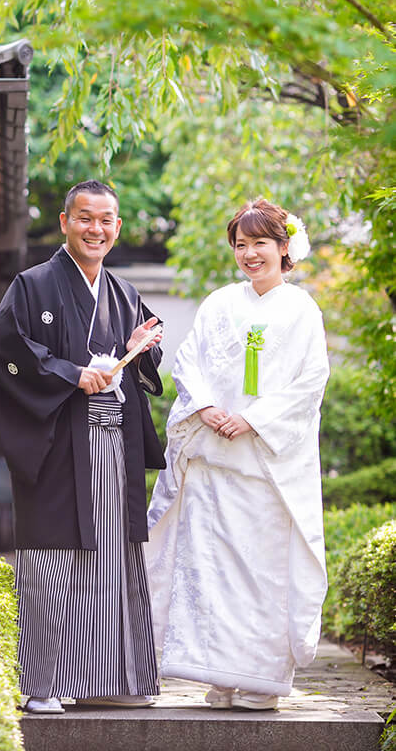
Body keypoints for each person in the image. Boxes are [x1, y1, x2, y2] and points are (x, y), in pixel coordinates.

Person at [0, 180, 166, 714]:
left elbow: (142, 353)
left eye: (106, 220)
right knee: (52, 559)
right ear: (65, 222)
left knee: (112, 559)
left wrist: (138, 348)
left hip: (113, 446)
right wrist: (70, 373)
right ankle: (43, 683)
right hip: (58, 444)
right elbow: (2, 351)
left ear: (118, 227)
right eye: (85, 218)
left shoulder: (123, 293)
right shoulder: (32, 285)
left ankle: (115, 678)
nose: (96, 229)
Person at [146, 198, 330, 711]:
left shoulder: (301, 309)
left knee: (261, 572)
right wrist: (205, 407)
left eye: (260, 244)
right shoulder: (222, 302)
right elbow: (188, 358)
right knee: (210, 569)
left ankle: (261, 681)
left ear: (284, 247)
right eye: (241, 245)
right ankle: (219, 675)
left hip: (265, 467)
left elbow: (310, 381)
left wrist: (253, 418)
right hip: (214, 462)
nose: (250, 254)